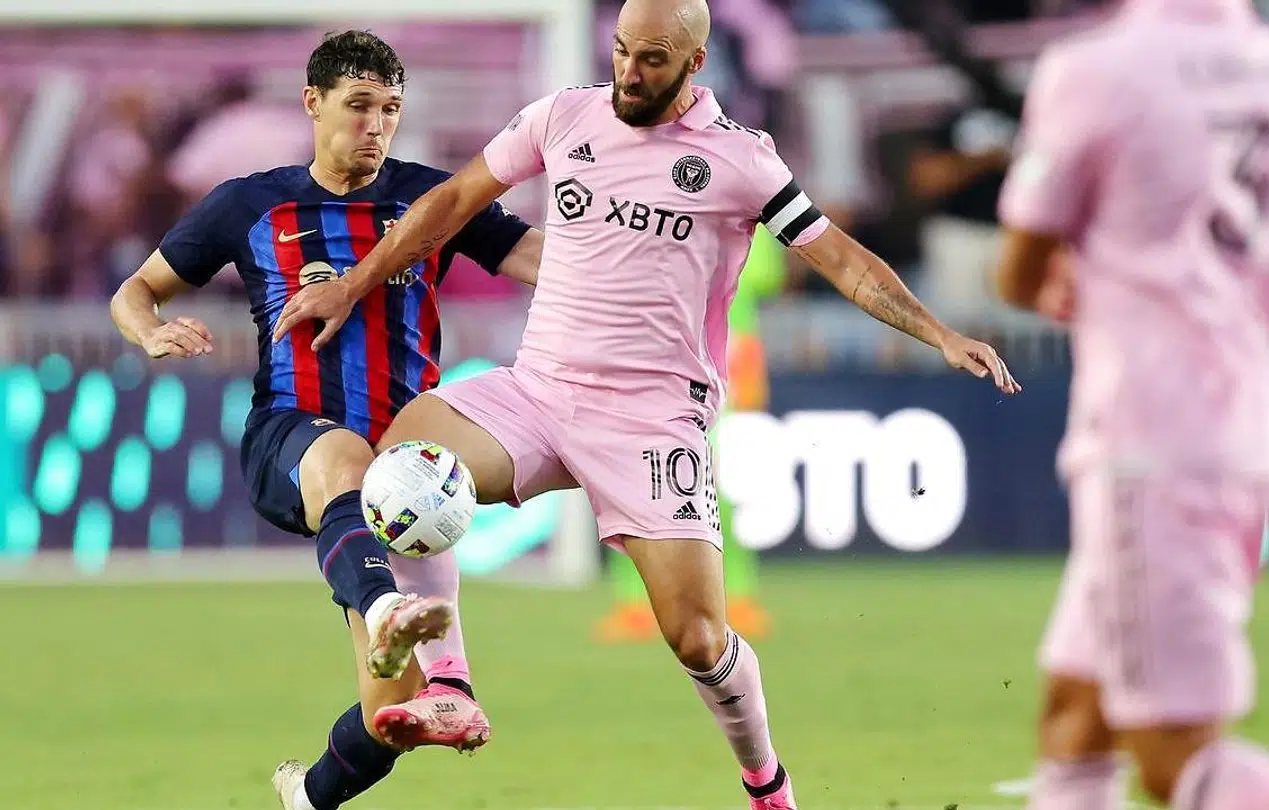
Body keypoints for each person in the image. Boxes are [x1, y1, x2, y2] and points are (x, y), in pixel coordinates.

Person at [271, 2, 1019, 806]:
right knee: (400, 468)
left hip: (652, 421)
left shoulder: (741, 161)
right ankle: (449, 683)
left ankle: (767, 783)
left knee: (697, 638)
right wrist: (353, 283)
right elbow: (453, 202)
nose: (630, 72)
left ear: (695, 64)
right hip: (539, 388)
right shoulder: (564, 116)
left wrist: (936, 331)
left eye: (653, 60)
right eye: (623, 51)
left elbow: (841, 258)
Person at [991, 1, 1269, 809]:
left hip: (1148, 442)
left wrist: (1064, 278)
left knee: (1174, 759)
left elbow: (1019, 269)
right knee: (1075, 719)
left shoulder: (1092, 70)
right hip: (1249, 435)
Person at [107, 30, 545, 810]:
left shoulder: (428, 198)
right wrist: (149, 330)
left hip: (400, 467)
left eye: (391, 109)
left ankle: (306, 795)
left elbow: (534, 259)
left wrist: (634, 252)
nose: (376, 125)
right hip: (290, 436)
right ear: (313, 104)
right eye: (359, 107)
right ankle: (388, 609)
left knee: (392, 719)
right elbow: (135, 289)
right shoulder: (251, 202)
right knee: (345, 459)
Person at [594, 228, 786, 643]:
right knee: (632, 485)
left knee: (717, 490)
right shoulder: (647, 205)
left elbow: (764, 279)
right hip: (649, 358)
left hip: (720, 365)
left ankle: (737, 596)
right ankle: (634, 602)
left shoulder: (748, 202)